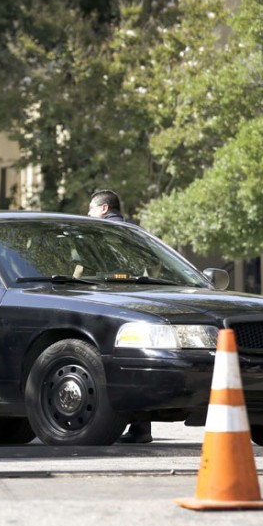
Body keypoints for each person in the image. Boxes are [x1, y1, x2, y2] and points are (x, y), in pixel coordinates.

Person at [88, 190, 152, 444]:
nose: (88, 215)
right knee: (135, 361)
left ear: (104, 209)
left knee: (109, 362)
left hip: (109, 300)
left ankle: (108, 423)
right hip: (139, 299)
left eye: (91, 209)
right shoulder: (136, 232)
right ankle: (141, 427)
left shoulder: (99, 233)